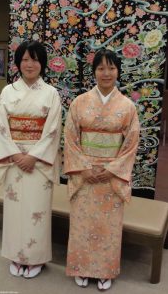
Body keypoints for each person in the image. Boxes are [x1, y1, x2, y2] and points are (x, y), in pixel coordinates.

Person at [64, 49, 140, 291]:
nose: (106, 73)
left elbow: (131, 143)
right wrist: (84, 169)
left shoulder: (127, 106)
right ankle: (81, 267)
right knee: (82, 223)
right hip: (84, 174)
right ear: (94, 71)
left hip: (111, 175)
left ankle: (105, 271)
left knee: (108, 226)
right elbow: (71, 139)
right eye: (101, 68)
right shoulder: (79, 102)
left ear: (118, 71)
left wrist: (112, 169)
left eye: (111, 68)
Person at [0, 40, 61, 278]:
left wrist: (33, 156)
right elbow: (1, 127)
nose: (29, 64)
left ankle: (35, 260)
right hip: (14, 159)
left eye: (34, 59)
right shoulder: (7, 92)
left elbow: (53, 130)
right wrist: (15, 154)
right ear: (18, 63)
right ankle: (15, 254)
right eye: (24, 59)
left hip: (37, 163)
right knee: (14, 211)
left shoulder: (51, 94)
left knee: (36, 210)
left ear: (42, 63)